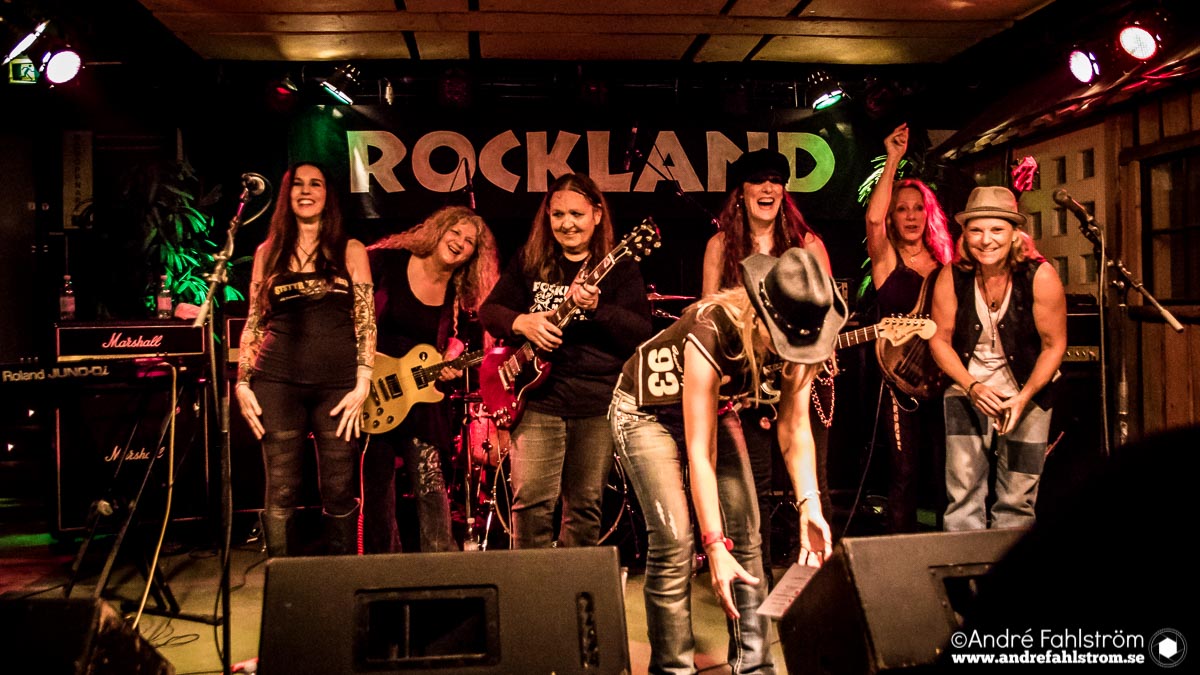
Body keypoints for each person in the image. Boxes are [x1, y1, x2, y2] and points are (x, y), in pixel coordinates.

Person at [612, 248, 846, 674]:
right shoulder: (712, 329)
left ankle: (755, 667)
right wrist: (714, 544)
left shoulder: (805, 335)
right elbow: (701, 452)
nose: (790, 352)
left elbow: (795, 428)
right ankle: (673, 669)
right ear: (760, 318)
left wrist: (809, 505)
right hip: (644, 411)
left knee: (748, 531)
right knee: (675, 541)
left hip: (715, 408)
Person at [479, 173, 652, 549]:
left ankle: (574, 584)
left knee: (585, 507)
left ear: (596, 215)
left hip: (596, 403)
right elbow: (490, 311)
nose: (567, 223)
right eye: (558, 215)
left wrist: (598, 308)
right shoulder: (530, 260)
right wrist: (523, 322)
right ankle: (531, 584)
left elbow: (640, 331)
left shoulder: (619, 268)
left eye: (576, 214)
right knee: (531, 505)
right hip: (538, 402)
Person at [700, 148, 831, 582]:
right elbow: (706, 320)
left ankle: (811, 580)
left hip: (796, 375)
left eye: (776, 180)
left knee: (810, 482)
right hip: (744, 386)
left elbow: (826, 315)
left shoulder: (807, 244)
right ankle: (758, 587)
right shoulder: (721, 246)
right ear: (742, 191)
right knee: (750, 492)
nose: (768, 188)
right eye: (758, 180)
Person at [235, 161, 376, 557]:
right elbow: (254, 321)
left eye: (315, 184)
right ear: (288, 194)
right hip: (276, 382)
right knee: (281, 488)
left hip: (339, 385)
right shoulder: (268, 253)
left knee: (339, 487)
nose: (306, 190)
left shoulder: (350, 250)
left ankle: (342, 581)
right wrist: (242, 381)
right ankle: (281, 577)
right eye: (298, 184)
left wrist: (363, 381)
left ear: (327, 195)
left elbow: (366, 320)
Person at [361, 205, 499, 553]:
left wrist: (453, 354)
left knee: (431, 482)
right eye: (455, 232)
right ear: (438, 230)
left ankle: (441, 567)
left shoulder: (457, 292)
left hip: (420, 394)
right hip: (373, 387)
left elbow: (458, 338)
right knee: (376, 488)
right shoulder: (388, 262)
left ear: (473, 255)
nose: (459, 242)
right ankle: (383, 570)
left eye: (469, 241)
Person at [928, 186, 1066, 531]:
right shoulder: (952, 275)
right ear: (965, 234)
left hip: (1028, 395)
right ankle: (965, 564)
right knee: (962, 496)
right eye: (976, 230)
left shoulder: (1040, 275)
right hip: (967, 392)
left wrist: (1023, 397)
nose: (986, 240)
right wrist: (971, 386)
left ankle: (1011, 564)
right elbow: (939, 340)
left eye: (996, 229)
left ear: (1015, 233)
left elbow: (1054, 346)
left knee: (1018, 500)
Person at [863, 123, 955, 533]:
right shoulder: (887, 259)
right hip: (899, 383)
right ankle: (902, 553)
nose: (911, 215)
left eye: (918, 208)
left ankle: (946, 551)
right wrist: (893, 160)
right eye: (902, 209)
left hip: (944, 378)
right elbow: (872, 218)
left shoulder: (946, 264)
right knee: (904, 471)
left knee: (945, 470)